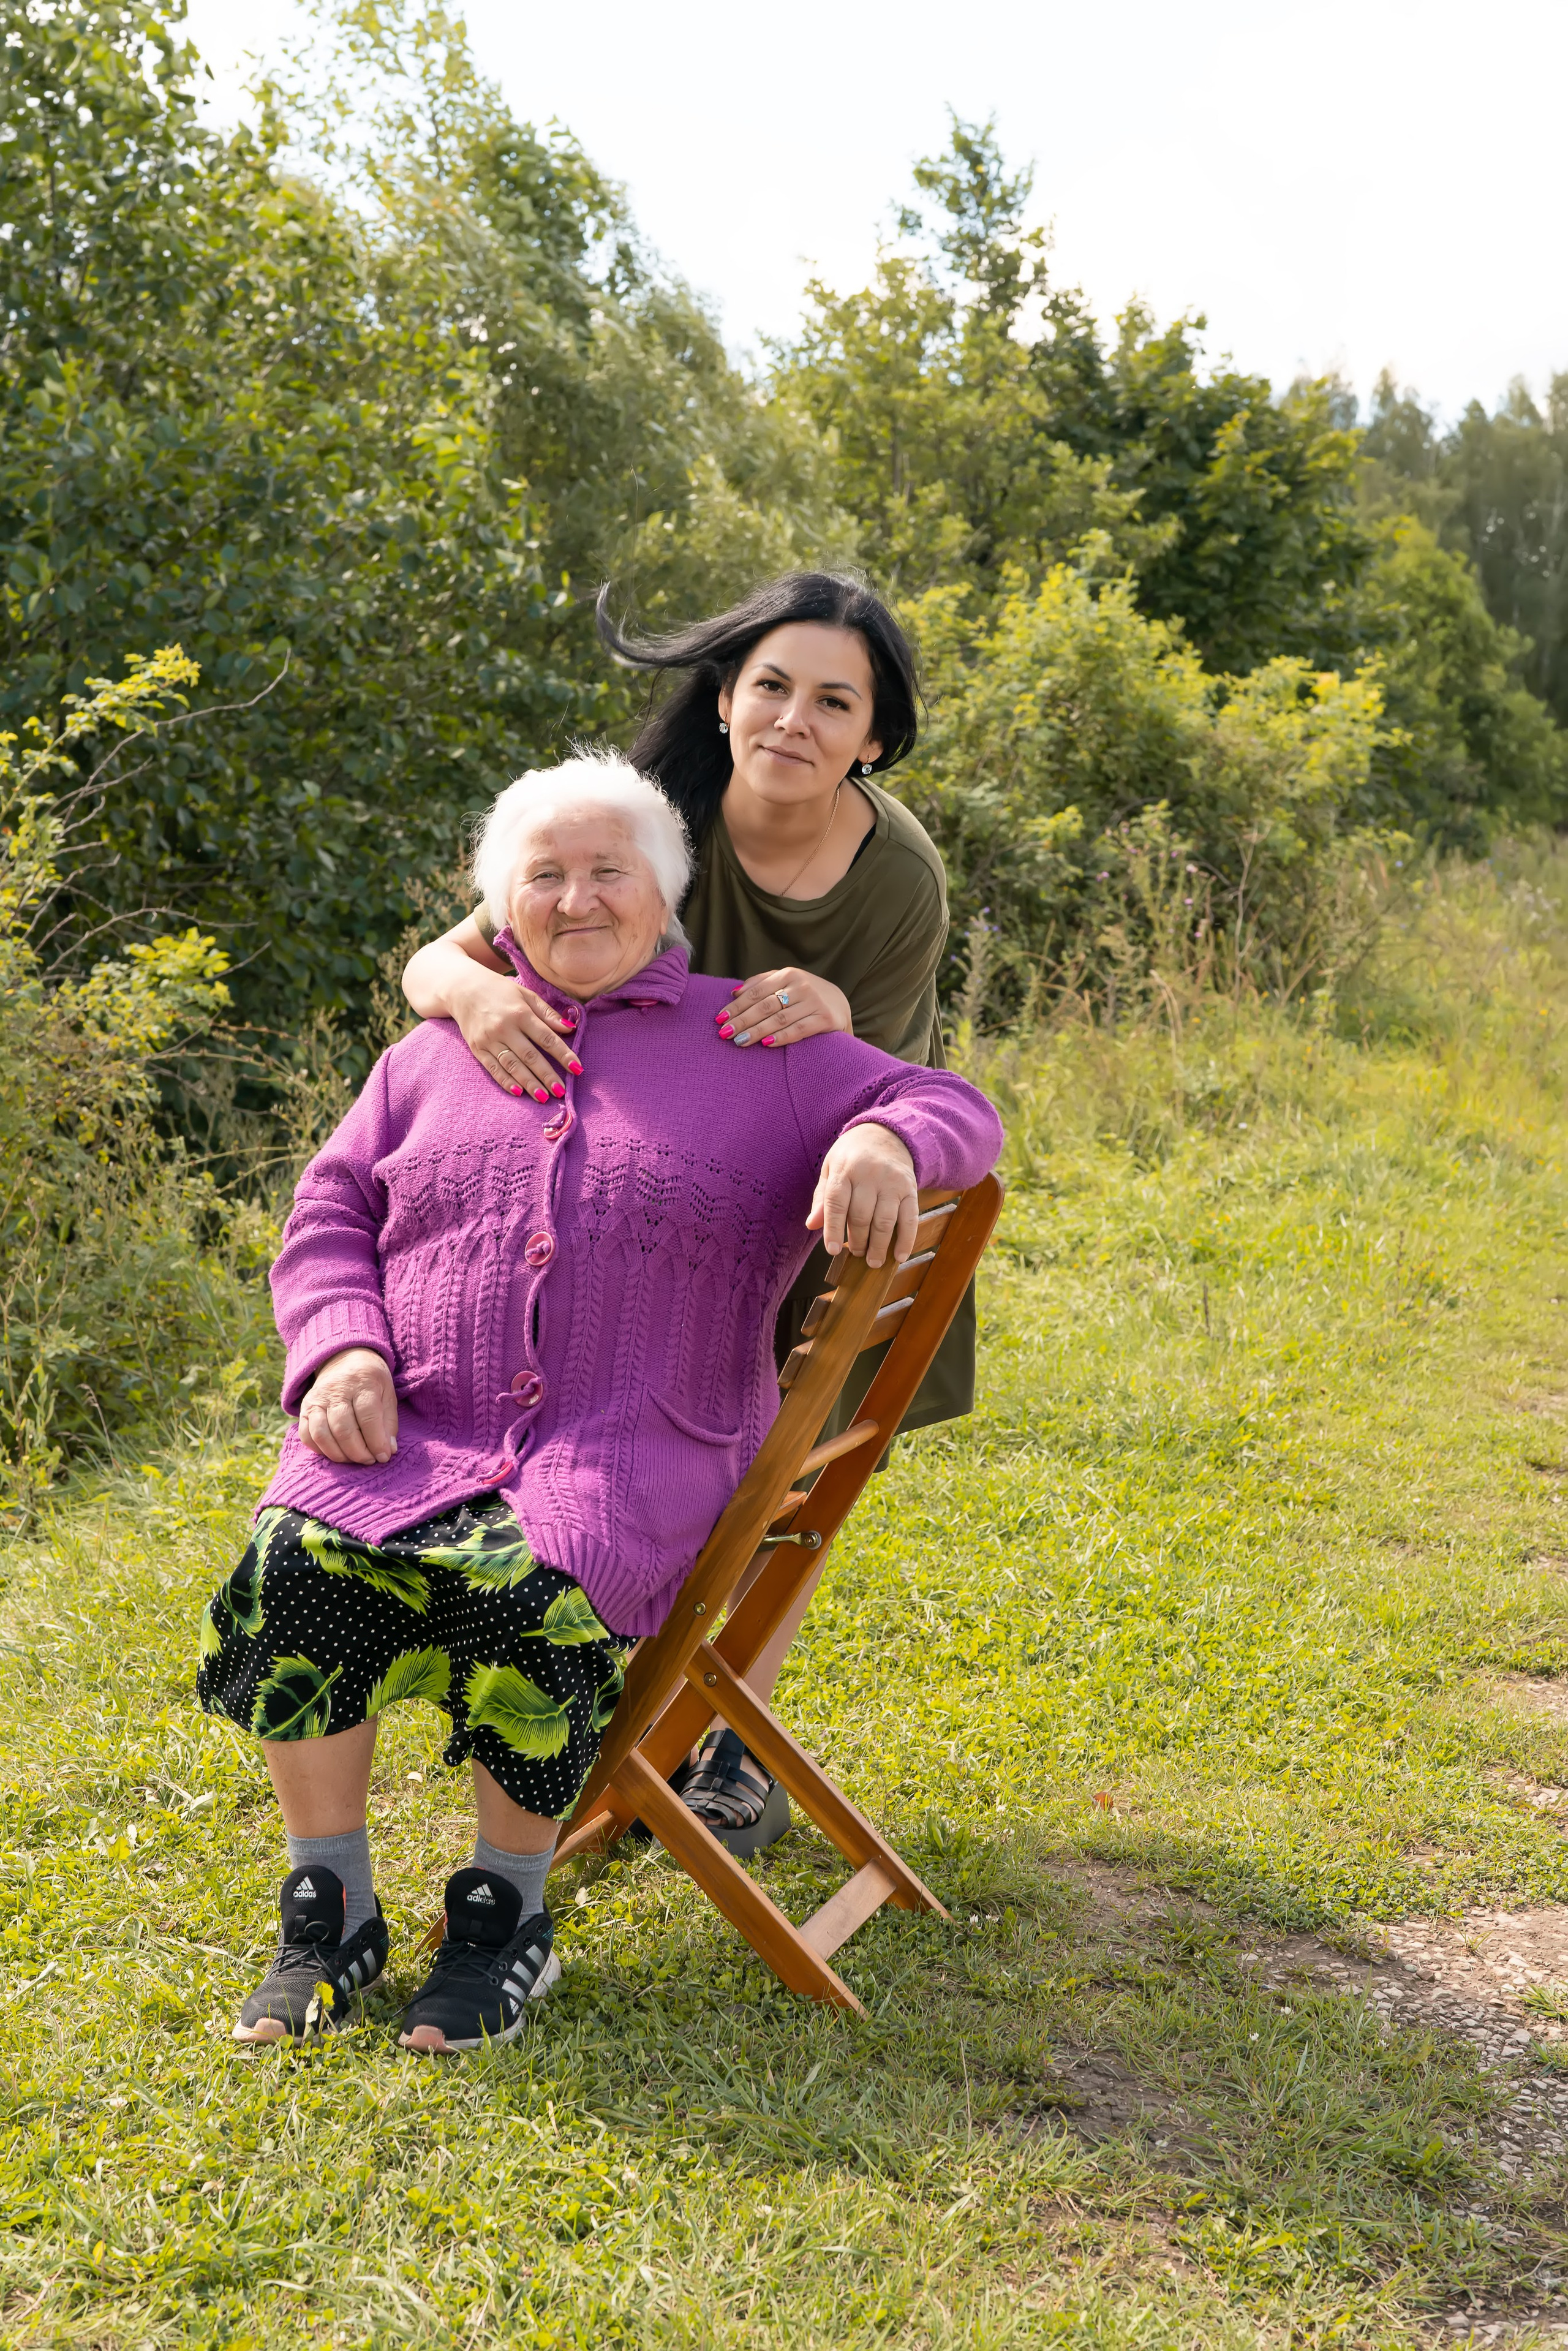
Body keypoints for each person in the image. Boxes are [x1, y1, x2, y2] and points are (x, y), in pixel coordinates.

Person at [200, 754, 1002, 2052]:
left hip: (635, 1446)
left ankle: (504, 1915)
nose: (577, 900)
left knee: (534, 1578)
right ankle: (330, 1903)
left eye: (608, 871)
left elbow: (953, 1104)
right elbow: (330, 1206)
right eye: (545, 876)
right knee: (300, 1555)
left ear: (665, 891)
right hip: (418, 1429)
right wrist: (341, 1349)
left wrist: (876, 1137)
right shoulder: (432, 1051)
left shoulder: (754, 1036)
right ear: (500, 909)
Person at [401, 572, 971, 1848]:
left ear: (873, 736)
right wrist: (479, 998)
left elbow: (889, 1089)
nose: (794, 720)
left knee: (779, 1485)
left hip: (826, 1200)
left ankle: (727, 1744)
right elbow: (438, 958)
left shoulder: (896, 879)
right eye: (770, 685)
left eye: (836, 701)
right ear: (723, 698)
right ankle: (607, 1683)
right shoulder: (650, 826)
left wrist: (833, 1022)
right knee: (631, 1436)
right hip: (659, 1211)